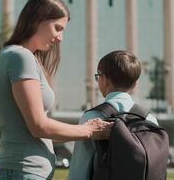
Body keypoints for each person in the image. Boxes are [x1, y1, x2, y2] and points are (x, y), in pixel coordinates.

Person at [0, 0, 111, 180]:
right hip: (22, 172)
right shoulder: (20, 57)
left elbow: (39, 131)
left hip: (24, 172)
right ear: (38, 19)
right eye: (57, 27)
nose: (60, 38)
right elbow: (38, 126)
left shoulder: (17, 56)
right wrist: (88, 130)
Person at [68, 50, 159, 180]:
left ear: (105, 79)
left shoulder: (92, 118)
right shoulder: (150, 119)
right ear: (135, 84)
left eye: (98, 75)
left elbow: (80, 169)